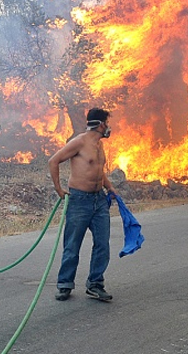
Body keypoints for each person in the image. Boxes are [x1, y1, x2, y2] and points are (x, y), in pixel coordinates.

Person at [49, 108, 118, 302]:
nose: (108, 127)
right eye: (107, 123)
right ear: (100, 124)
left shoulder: (99, 146)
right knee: (72, 245)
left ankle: (95, 285)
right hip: (79, 201)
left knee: (102, 244)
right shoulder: (79, 142)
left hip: (99, 201)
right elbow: (53, 161)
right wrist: (59, 189)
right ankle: (65, 284)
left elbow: (98, 170)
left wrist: (110, 186)